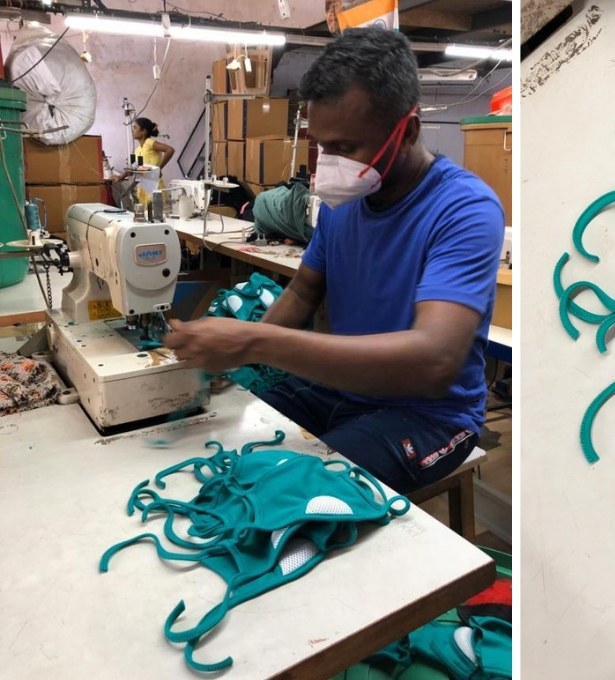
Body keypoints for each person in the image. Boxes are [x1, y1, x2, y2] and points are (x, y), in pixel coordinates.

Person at [164, 28, 505, 495]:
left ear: (407, 130)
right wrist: (237, 363)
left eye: (345, 148)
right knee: (214, 445)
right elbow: (303, 291)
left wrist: (254, 341)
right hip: (338, 388)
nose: (329, 164)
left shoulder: (464, 209)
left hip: (429, 415)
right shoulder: (342, 204)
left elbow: (435, 359)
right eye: (323, 146)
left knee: (286, 496)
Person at [113, 117, 175, 207]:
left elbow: (170, 150)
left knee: (157, 215)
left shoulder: (149, 143)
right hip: (143, 187)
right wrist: (121, 177)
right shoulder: (138, 150)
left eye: (135, 128)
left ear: (143, 131)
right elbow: (134, 167)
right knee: (147, 215)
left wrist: (159, 169)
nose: (132, 131)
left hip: (154, 185)